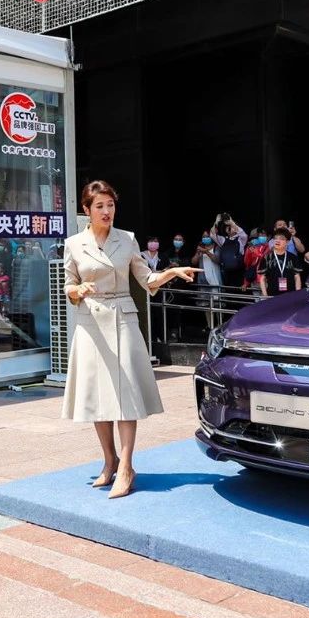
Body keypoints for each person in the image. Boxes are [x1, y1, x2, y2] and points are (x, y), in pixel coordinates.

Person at [61, 180, 199, 499]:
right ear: (86, 210)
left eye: (110, 205)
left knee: (125, 396)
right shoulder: (74, 244)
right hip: (91, 322)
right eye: (99, 206)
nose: (106, 211)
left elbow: (146, 279)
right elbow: (68, 285)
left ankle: (126, 467)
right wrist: (78, 290)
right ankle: (109, 461)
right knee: (97, 397)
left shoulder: (127, 239)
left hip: (122, 318)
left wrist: (171, 272)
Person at [259, 228, 305, 297]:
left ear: (287, 242)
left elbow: (297, 277)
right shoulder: (266, 258)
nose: (277, 240)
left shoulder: (293, 257)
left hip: (290, 295)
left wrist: (297, 294)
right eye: (275, 238)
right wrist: (265, 295)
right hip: (272, 295)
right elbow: (262, 279)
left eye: (281, 239)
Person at [213, 215, 247, 289]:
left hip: (238, 274)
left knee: (238, 294)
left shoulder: (241, 240)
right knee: (228, 292)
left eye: (231, 227)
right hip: (226, 274)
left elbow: (243, 234)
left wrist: (232, 223)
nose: (229, 228)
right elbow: (212, 234)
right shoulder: (223, 240)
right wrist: (216, 222)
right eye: (228, 227)